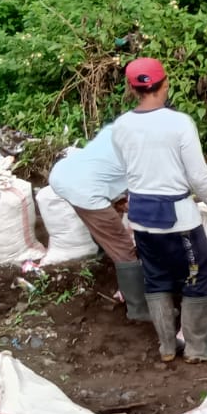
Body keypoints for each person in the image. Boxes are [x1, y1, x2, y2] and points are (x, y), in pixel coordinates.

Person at [110, 57, 207, 364]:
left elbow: (119, 170)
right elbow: (198, 174)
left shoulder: (121, 125)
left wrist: (123, 196)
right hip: (179, 220)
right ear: (165, 84)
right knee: (196, 275)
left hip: (141, 219)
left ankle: (167, 346)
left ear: (131, 89)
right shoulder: (179, 123)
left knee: (156, 278)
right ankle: (197, 347)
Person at [48, 124, 147, 321]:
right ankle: (138, 308)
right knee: (123, 246)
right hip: (85, 189)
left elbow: (105, 168)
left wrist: (120, 199)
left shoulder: (117, 129)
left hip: (63, 175)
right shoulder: (146, 151)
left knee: (103, 222)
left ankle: (105, 257)